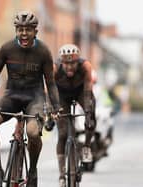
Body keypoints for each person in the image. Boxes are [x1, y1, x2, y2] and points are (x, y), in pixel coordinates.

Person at [0, 10, 60, 187]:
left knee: (32, 132)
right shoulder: (7, 49)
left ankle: (33, 171)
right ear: (16, 30)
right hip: (11, 97)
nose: (23, 34)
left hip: (34, 99)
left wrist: (56, 107)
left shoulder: (43, 51)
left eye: (28, 30)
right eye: (20, 29)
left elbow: (51, 83)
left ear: (35, 31)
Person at [52, 44, 96, 187]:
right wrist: (51, 111)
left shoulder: (86, 66)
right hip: (62, 96)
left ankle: (87, 147)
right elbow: (49, 91)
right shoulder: (55, 68)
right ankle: (61, 174)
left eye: (73, 64)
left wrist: (88, 113)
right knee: (63, 134)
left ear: (78, 62)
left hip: (81, 93)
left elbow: (88, 91)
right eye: (66, 64)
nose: (70, 67)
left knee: (91, 119)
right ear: (61, 63)